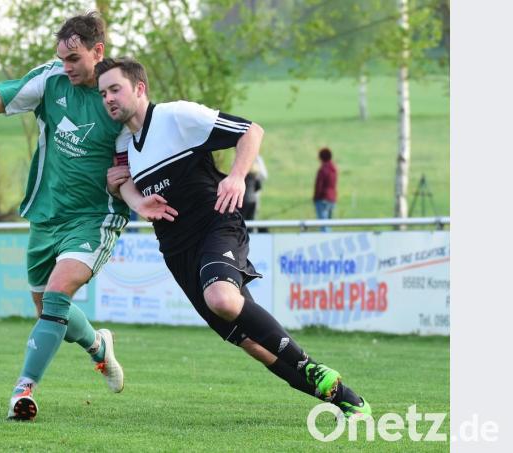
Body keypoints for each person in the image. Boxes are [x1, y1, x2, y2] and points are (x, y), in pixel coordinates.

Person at [98, 57, 371, 419]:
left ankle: (310, 367)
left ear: (139, 88)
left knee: (223, 298)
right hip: (177, 251)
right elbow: (119, 183)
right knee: (253, 343)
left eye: (115, 89)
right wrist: (136, 200)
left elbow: (251, 131)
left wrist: (238, 175)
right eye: (103, 93)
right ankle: (344, 399)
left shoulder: (176, 116)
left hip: (217, 224)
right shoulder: (122, 142)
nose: (108, 99)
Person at [0, 12, 130, 421]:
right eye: (62, 58)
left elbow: (142, 145)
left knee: (56, 295)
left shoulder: (117, 93)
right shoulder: (50, 79)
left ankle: (23, 389)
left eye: (74, 58)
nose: (66, 66)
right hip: (46, 212)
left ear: (97, 51)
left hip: (94, 217)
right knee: (48, 309)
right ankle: (98, 347)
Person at [313, 147, 337, 232]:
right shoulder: (334, 169)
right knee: (329, 223)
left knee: (323, 224)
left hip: (322, 200)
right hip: (332, 199)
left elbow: (319, 185)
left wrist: (315, 198)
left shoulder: (323, 170)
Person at [243, 155, 267, 231]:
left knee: (242, 221)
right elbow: (258, 187)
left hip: (243, 201)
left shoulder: (242, 176)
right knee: (251, 220)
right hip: (253, 200)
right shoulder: (254, 176)